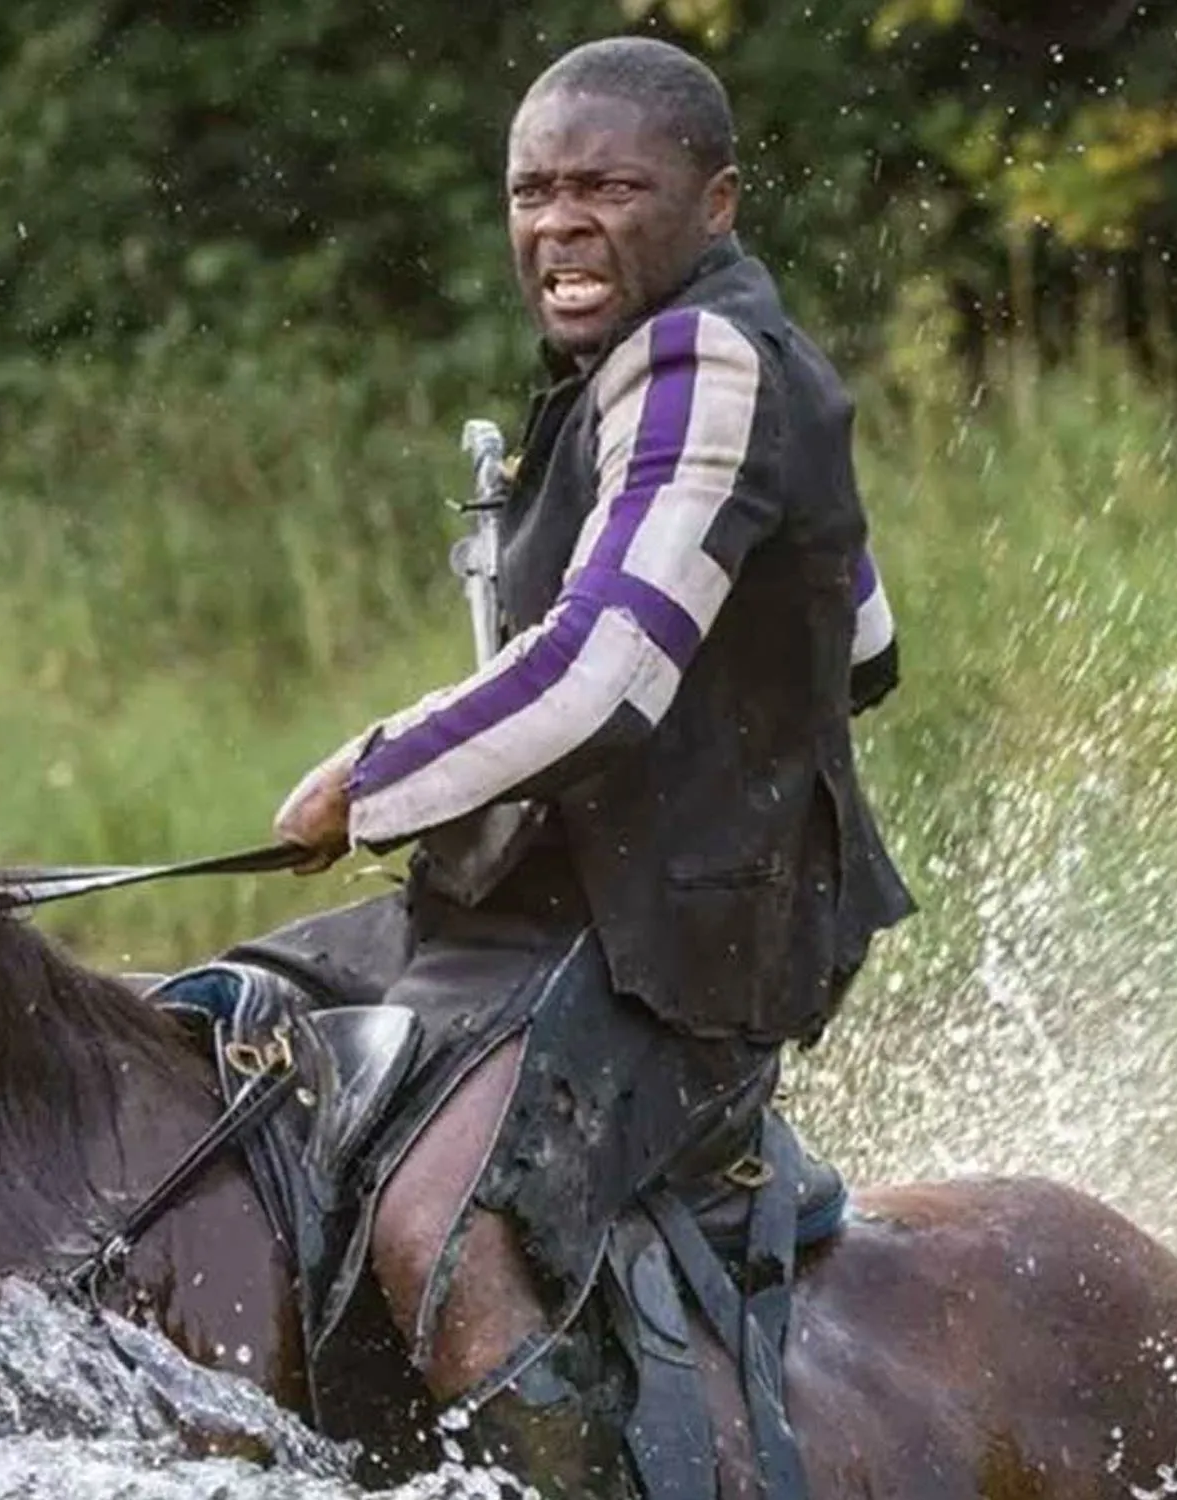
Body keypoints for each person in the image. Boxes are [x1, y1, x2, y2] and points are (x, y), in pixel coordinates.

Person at [273, 34, 913, 1495]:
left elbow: (600, 676)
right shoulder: (646, 364)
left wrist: (363, 783)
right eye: (529, 191)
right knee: (217, 1026)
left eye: (607, 186)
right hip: (549, 902)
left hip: (667, 939)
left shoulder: (703, 357)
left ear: (716, 204)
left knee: (442, 1236)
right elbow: (862, 642)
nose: (556, 223)